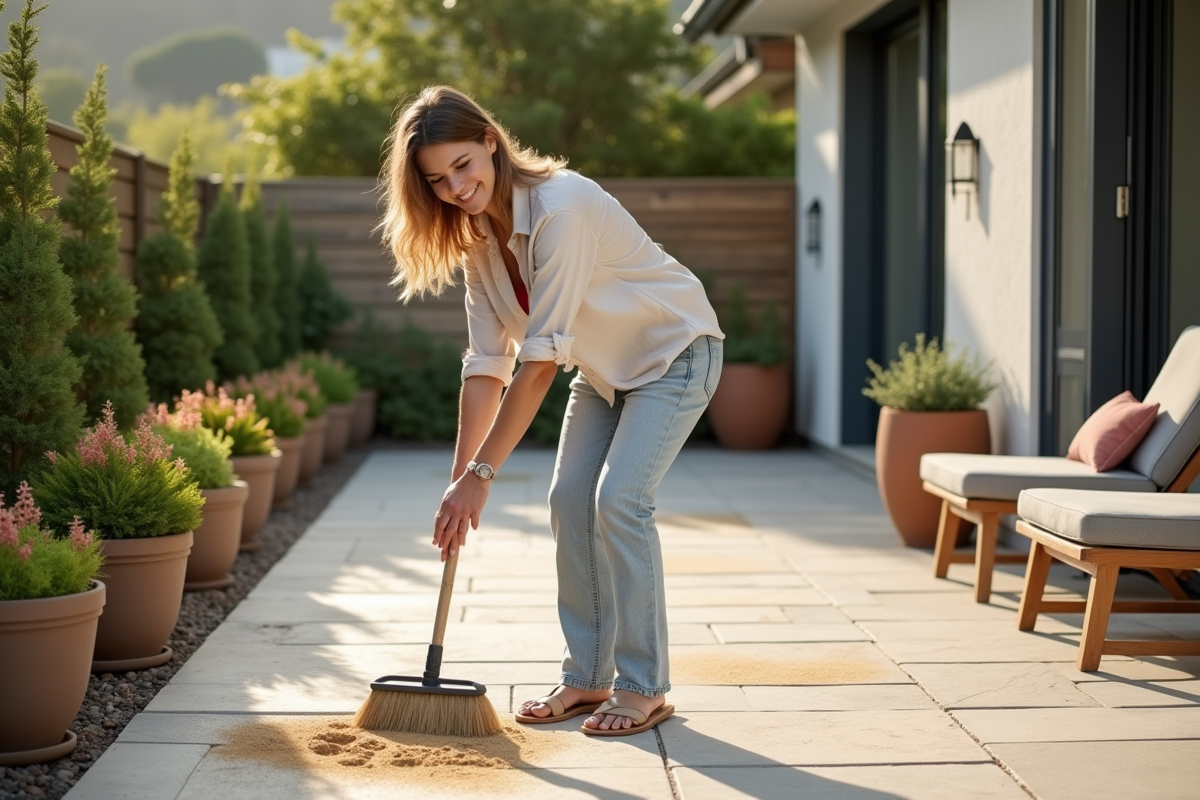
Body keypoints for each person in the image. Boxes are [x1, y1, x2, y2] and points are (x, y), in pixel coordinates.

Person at [379, 86, 723, 736]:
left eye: (462, 165)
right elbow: (487, 366)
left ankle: (643, 686)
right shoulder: (479, 239)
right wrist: (460, 488)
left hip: (675, 352)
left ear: (490, 140)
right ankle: (588, 677)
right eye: (437, 180)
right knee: (569, 500)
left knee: (619, 499)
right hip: (603, 372)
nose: (455, 187)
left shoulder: (561, 207)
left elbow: (537, 366)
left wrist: (483, 478)